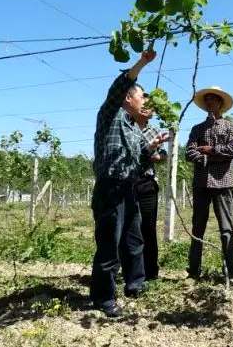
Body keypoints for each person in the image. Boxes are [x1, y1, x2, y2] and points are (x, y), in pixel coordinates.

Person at [90, 49, 163, 318]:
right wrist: (142, 62)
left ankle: (136, 284)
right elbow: (118, 85)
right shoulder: (110, 115)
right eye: (141, 95)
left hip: (128, 187)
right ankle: (103, 298)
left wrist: (150, 148)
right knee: (109, 245)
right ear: (127, 98)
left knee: (134, 240)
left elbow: (139, 165)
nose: (145, 100)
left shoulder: (134, 128)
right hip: (110, 187)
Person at [185, 86, 233, 279]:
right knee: (197, 228)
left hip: (223, 184)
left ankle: (231, 272)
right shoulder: (197, 129)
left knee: (226, 229)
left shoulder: (231, 127)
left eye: (213, 99)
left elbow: (231, 151)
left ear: (220, 103)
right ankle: (193, 271)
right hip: (201, 184)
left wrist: (208, 150)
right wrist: (208, 156)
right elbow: (189, 153)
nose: (209, 102)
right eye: (206, 99)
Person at [135, 106, 169, 281]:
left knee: (148, 228)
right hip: (128, 182)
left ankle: (151, 272)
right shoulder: (128, 128)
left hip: (147, 182)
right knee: (129, 229)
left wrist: (159, 157)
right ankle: (132, 271)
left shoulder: (155, 130)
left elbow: (163, 154)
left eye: (152, 107)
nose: (148, 109)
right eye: (145, 105)